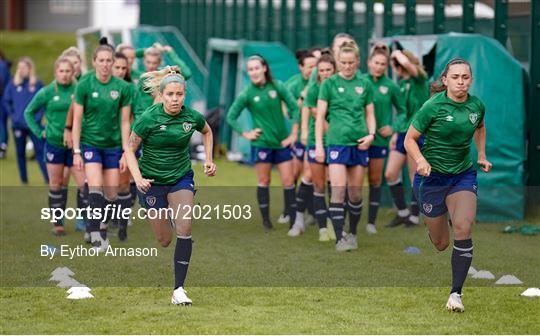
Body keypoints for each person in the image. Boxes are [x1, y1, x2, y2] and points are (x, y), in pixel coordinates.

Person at [405, 58, 491, 312]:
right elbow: (409, 139)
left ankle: (456, 294)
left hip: (462, 175)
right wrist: (420, 160)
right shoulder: (432, 106)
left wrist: (482, 155)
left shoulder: (477, 106)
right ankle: (432, 225)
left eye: (465, 77)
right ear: (445, 80)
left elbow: (481, 128)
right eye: (455, 77)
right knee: (441, 243)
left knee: (463, 226)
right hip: (431, 178)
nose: (461, 81)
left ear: (471, 80)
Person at [125, 67, 216, 305]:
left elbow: (207, 131)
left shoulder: (191, 117)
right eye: (170, 95)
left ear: (184, 95)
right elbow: (129, 149)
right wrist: (138, 178)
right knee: (164, 240)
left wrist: (209, 159)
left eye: (179, 94)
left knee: (185, 230)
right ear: (162, 95)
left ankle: (178, 290)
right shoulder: (148, 118)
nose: (175, 99)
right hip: (152, 182)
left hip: (181, 178)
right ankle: (171, 218)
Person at [226, 54, 299, 232]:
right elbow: (231, 117)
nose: (254, 72)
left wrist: (293, 135)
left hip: (282, 143)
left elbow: (295, 108)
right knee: (264, 180)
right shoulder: (247, 93)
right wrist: (246, 134)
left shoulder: (277, 86)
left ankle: (292, 221)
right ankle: (266, 221)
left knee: (289, 181)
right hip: (262, 144)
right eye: (250, 69)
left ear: (264, 68)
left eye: (256, 68)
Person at [315, 42, 376, 251]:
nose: (347, 66)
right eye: (343, 62)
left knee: (356, 194)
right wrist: (319, 146)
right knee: (338, 192)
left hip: (359, 144)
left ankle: (353, 233)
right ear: (337, 62)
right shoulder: (328, 84)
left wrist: (371, 135)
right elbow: (320, 116)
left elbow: (370, 113)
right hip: (337, 143)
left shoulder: (365, 83)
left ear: (358, 62)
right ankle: (340, 238)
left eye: (351, 62)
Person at [72, 43, 132, 251]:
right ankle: (96, 234)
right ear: (94, 62)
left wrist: (126, 151)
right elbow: (77, 119)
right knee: (95, 187)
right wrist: (77, 151)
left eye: (109, 61)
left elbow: (125, 122)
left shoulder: (123, 88)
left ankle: (100, 227)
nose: (105, 64)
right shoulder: (84, 85)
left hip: (113, 146)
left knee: (112, 194)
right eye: (102, 60)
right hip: (90, 144)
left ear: (113, 63)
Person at [24, 57, 77, 235]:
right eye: (61, 71)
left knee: (84, 184)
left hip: (75, 145)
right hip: (54, 144)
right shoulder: (46, 92)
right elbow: (28, 112)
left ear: (73, 73)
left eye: (67, 71)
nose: (64, 74)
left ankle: (88, 224)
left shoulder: (78, 90)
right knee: (56, 183)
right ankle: (57, 223)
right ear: (56, 72)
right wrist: (40, 133)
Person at [363, 44, 406, 234]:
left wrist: (394, 127)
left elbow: (404, 111)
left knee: (374, 180)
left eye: (382, 64)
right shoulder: (359, 82)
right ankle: (345, 220)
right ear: (368, 63)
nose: (379, 67)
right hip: (355, 139)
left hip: (379, 141)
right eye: (376, 63)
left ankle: (371, 223)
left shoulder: (391, 86)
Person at [384, 49, 429, 229]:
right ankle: (402, 212)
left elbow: (412, 68)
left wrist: (396, 52)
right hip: (403, 132)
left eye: (393, 64)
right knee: (390, 173)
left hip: (417, 133)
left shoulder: (419, 80)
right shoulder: (402, 84)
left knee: (414, 175)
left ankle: (414, 216)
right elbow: (403, 112)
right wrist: (395, 132)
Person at [298, 53, 337, 241]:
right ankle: (322, 227)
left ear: (334, 70)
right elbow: (306, 109)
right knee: (319, 183)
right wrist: (304, 131)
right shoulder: (313, 88)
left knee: (335, 183)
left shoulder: (338, 88)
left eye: (328, 70)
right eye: (321, 71)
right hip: (316, 141)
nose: (325, 74)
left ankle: (334, 223)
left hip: (337, 141)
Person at [285, 49, 318, 234]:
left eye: (316, 66)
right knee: (299, 174)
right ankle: (293, 215)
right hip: (303, 138)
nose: (313, 70)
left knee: (320, 180)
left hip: (326, 137)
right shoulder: (294, 84)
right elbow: (287, 108)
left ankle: (318, 216)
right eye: (310, 66)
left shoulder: (323, 83)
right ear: (301, 67)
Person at [2, 57, 48, 183]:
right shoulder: (13, 84)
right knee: (20, 153)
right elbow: (6, 101)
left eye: (24, 67)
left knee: (40, 152)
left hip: (34, 125)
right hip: (18, 125)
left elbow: (44, 103)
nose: (21, 70)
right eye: (19, 68)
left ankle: (48, 179)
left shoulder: (37, 84)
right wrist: (13, 115)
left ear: (30, 69)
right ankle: (24, 179)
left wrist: (37, 118)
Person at [111, 52, 139, 241]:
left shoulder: (130, 89)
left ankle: (122, 226)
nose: (120, 71)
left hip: (123, 143)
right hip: (98, 144)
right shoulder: (94, 85)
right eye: (117, 67)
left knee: (123, 185)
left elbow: (134, 117)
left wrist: (129, 146)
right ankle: (98, 227)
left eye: (124, 68)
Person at [0, 49, 11, 159]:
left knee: (1, 123)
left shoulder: (2, 66)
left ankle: (2, 146)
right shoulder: (4, 65)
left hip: (2, 99)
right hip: (4, 98)